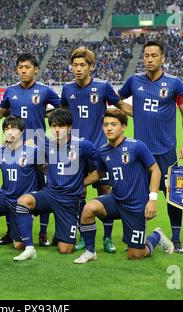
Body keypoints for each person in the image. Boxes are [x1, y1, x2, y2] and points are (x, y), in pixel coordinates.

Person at [117, 40, 183, 253]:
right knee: (139, 195)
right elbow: (116, 100)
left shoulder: (174, 83)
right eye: (146, 55)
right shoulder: (133, 81)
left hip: (166, 151)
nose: (149, 59)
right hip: (140, 151)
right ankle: (138, 236)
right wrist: (135, 112)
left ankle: (176, 238)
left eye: (154, 56)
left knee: (174, 196)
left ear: (163, 58)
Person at [73, 108, 174, 263]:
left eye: (113, 124)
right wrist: (80, 183)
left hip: (136, 205)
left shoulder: (137, 146)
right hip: (116, 200)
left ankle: (156, 236)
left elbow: (156, 171)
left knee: (135, 255)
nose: (109, 128)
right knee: (88, 209)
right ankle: (90, 251)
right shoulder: (103, 151)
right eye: (106, 124)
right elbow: (99, 173)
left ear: (123, 126)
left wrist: (152, 199)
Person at [61, 47, 132, 253]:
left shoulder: (102, 87)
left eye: (82, 65)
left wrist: (143, 115)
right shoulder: (67, 89)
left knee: (105, 192)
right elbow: (61, 113)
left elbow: (120, 105)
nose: (78, 69)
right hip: (75, 152)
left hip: (101, 151)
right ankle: (83, 236)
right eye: (74, 65)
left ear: (91, 66)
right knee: (77, 194)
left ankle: (107, 238)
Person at [0, 53, 61, 247]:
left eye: (27, 67)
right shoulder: (11, 91)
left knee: (44, 189)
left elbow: (62, 109)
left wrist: (45, 114)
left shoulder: (45, 91)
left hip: (38, 148)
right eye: (20, 67)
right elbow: (1, 111)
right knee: (13, 189)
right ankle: (12, 233)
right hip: (14, 148)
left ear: (35, 69)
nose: (23, 70)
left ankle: (43, 233)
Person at [14, 108, 101, 261]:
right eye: (54, 126)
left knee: (65, 250)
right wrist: (47, 170)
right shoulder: (46, 144)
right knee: (23, 202)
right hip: (50, 194)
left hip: (69, 200)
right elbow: (37, 161)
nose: (57, 130)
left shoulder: (83, 145)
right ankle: (29, 248)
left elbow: (101, 169)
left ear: (69, 127)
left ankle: (62, 236)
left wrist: (82, 183)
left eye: (61, 126)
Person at [0, 115, 43, 257]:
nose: (10, 132)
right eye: (6, 129)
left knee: (18, 246)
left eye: (14, 129)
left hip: (22, 202)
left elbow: (44, 170)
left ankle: (23, 234)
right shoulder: (0, 151)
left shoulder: (33, 151)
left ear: (22, 131)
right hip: (5, 197)